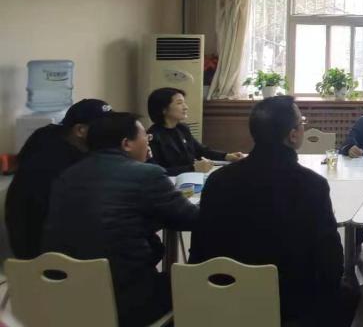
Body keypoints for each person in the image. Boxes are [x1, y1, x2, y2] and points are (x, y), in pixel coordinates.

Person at [189, 96, 360, 327]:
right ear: (293, 135)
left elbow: (200, 246)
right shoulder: (310, 184)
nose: (303, 127)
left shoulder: (218, 180)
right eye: (301, 123)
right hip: (291, 303)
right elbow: (329, 258)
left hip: (226, 294)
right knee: (350, 290)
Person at [43, 113, 198, 327]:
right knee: (196, 287)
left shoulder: (66, 175)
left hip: (66, 293)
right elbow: (191, 219)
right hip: (123, 297)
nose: (148, 142)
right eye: (145, 137)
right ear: (126, 144)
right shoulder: (147, 175)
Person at [5, 98, 112, 260]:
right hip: (44, 250)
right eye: (105, 127)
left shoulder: (46, 135)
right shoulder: (68, 163)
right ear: (80, 130)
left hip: (28, 242)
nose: (112, 132)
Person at [146, 87, 241, 175]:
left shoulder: (182, 128)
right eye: (179, 103)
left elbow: (201, 151)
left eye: (184, 103)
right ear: (163, 109)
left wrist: (227, 156)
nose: (185, 107)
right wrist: (193, 168)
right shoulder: (153, 136)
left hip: (191, 178)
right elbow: (157, 171)